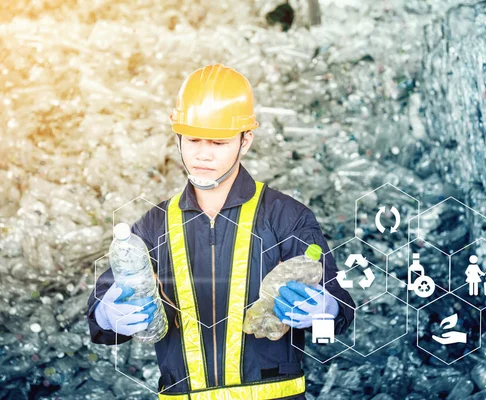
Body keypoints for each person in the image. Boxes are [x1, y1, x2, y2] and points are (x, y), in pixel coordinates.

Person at [87, 64, 355, 399]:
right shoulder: (154, 225)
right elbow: (99, 328)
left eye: (218, 142)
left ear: (245, 141)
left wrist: (325, 310)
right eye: (193, 139)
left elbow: (343, 316)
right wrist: (107, 315)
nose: (202, 154)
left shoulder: (287, 217)